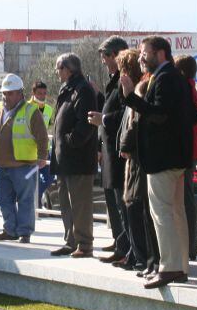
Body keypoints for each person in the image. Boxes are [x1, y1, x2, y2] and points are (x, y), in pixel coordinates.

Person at [120, 36, 197, 288]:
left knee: (163, 213)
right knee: (175, 213)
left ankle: (169, 268)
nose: (141, 58)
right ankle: (178, 266)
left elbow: (159, 114)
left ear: (161, 54)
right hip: (173, 158)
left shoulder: (166, 78)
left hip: (164, 159)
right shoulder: (172, 77)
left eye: (145, 53)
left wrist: (131, 97)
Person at [0, 74, 49, 243]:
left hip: (24, 165)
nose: (6, 97)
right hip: (0, 165)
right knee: (2, 199)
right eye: (4, 93)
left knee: (25, 200)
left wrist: (42, 156)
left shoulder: (31, 111)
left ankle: (24, 232)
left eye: (10, 93)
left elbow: (42, 136)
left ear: (20, 93)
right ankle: (10, 229)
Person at [49, 53, 99, 258]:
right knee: (66, 201)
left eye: (59, 68)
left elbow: (85, 124)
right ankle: (71, 240)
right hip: (64, 159)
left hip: (77, 159)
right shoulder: (67, 89)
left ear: (69, 69)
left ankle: (84, 244)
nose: (56, 72)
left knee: (80, 203)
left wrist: (70, 142)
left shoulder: (83, 90)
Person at [87, 36, 132, 262]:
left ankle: (128, 249)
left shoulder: (127, 79)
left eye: (105, 57)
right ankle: (121, 243)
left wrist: (103, 119)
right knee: (114, 202)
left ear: (115, 55)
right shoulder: (114, 79)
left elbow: (125, 113)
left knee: (124, 203)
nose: (104, 62)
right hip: (109, 151)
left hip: (120, 151)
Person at [115, 49, 153, 273]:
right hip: (133, 156)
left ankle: (142, 256)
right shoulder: (136, 88)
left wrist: (126, 146)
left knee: (135, 206)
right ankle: (137, 254)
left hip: (137, 157)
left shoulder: (140, 88)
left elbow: (134, 122)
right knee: (131, 205)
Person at [175, 55, 197, 262]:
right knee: (186, 200)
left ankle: (189, 246)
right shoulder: (190, 88)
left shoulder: (184, 89)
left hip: (185, 152)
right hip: (190, 150)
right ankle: (190, 246)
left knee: (185, 201)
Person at [29, 81, 56, 207]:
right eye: (39, 93)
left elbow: (50, 126)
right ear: (33, 93)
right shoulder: (27, 107)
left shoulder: (49, 109)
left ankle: (36, 198)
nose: (42, 96)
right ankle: (35, 205)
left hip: (45, 149)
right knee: (32, 178)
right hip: (30, 150)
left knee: (49, 177)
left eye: (44, 93)